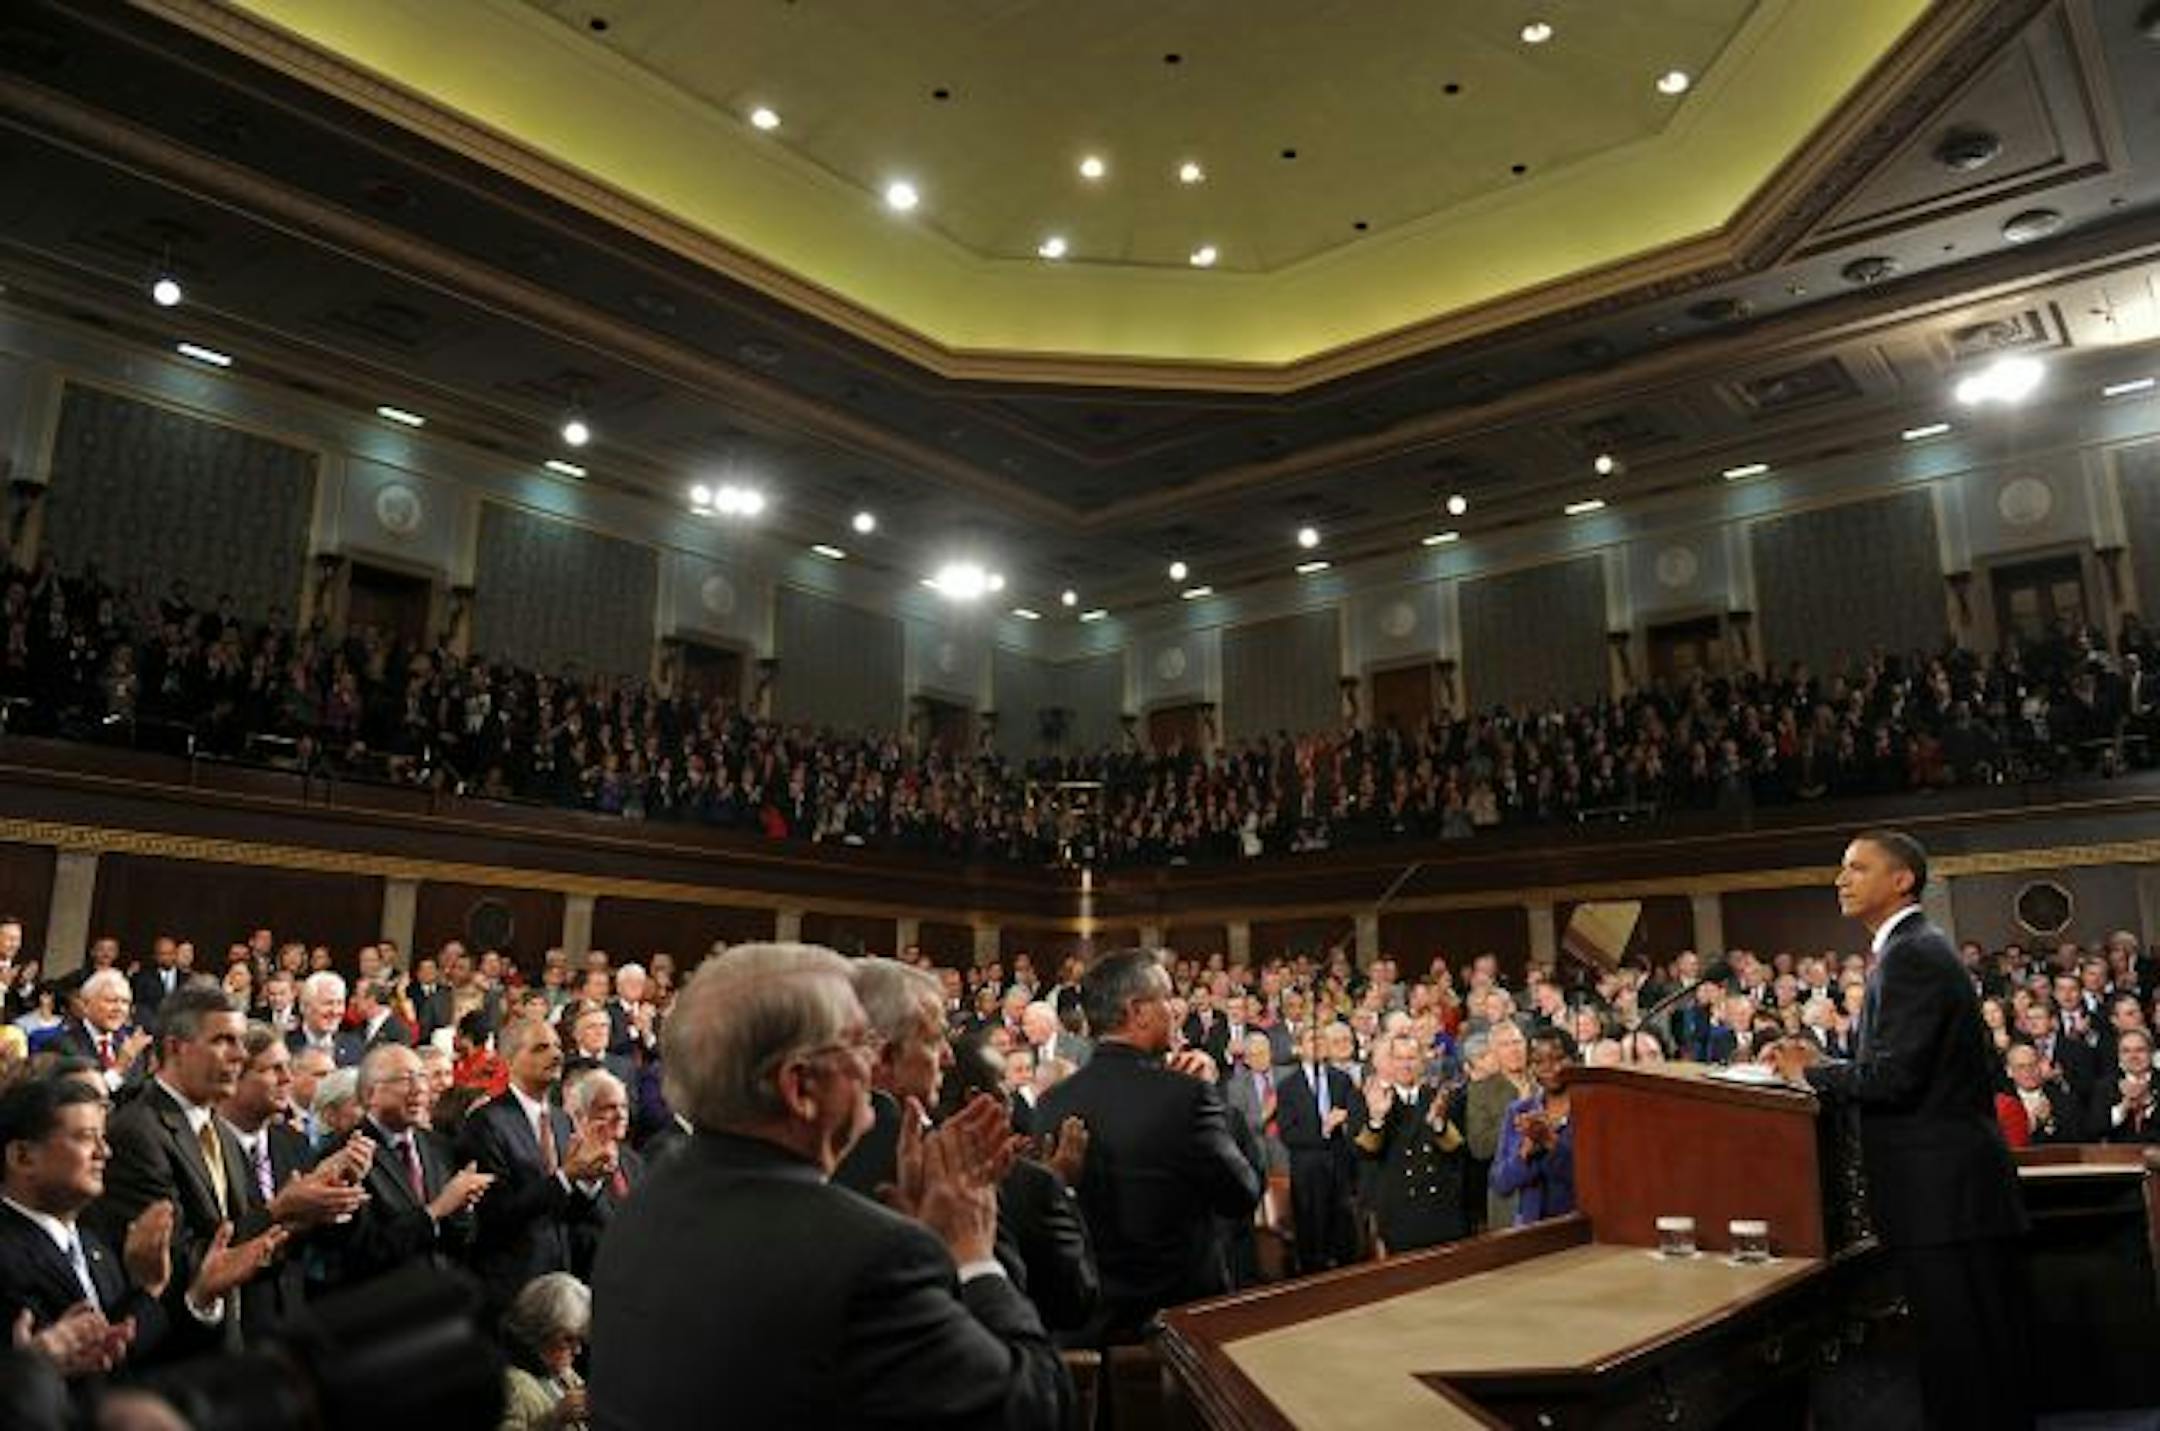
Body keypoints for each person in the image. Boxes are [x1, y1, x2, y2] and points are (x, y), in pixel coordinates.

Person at [588, 943, 1066, 1429]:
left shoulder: (641, 1205)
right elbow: (1029, 1407)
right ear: (801, 1087)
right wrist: (971, 1256)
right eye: (858, 1044)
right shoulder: (872, 1253)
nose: (870, 1065)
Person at [1772, 829, 2031, 1430]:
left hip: (1943, 1196)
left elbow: (1895, 1078)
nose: (1841, 879)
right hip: (1947, 1194)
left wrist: (1812, 1071)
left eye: (1857, 868)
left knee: (1967, 1364)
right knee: (1975, 1359)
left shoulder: (1913, 952)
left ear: (1901, 879)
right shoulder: (1913, 949)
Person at [1033, 948, 1261, 1344]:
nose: (1176, 1010)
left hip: (1090, 1326)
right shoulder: (1188, 1096)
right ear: (1137, 1011)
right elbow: (1240, 1194)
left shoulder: (1052, 1103)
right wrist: (1209, 1106)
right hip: (1180, 1328)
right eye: (1167, 998)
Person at [84, 988, 293, 1354]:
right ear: (177, 1047)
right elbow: (175, 1266)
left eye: (241, 1042)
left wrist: (300, 1217)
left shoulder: (216, 1126)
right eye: (223, 1040)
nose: (240, 1055)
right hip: (170, 1357)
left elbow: (237, 1235)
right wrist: (283, 1211)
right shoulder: (138, 1132)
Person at [458, 1019, 609, 1314]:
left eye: (557, 1046)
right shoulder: (486, 1122)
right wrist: (567, 1175)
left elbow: (567, 1209)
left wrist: (590, 1179)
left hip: (562, 1279)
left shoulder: (562, 1120)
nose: (555, 1055)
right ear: (509, 1060)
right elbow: (495, 1214)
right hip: (512, 1286)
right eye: (541, 1048)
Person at [1355, 1031, 1469, 1251]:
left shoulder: (1440, 1097)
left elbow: (1456, 1149)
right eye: (1399, 1058)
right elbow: (1366, 1151)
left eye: (1411, 1058)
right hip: (1400, 1211)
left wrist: (1439, 1124)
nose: (1406, 1065)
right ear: (1389, 1062)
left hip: (1441, 1209)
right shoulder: (1374, 1099)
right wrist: (1377, 1118)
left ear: (1422, 1061)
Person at [1276, 1025, 1363, 1271]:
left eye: (1322, 1040)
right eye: (1312, 1040)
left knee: (1343, 1227)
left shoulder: (1342, 1080)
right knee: (1312, 1231)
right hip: (1308, 1169)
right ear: (1299, 1048)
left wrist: (1345, 1119)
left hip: (1340, 1165)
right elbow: (1288, 1133)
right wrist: (1324, 1130)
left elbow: (1356, 1119)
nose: (1318, 1045)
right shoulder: (1287, 1086)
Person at [1491, 1028, 1578, 1225]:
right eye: (1538, 1062)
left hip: (1579, 1229)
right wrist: (1525, 1154)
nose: (1548, 1067)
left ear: (1576, 1059)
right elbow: (1500, 1183)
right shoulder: (1519, 1111)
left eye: (1557, 1059)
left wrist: (1551, 1143)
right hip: (1531, 1230)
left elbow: (1593, 1181)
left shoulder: (1592, 1112)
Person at [499, 1272, 590, 1431]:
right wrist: (554, 1420)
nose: (577, 1350)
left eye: (580, 1339)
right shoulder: (512, 1387)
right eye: (568, 1339)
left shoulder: (562, 1373)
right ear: (540, 1331)